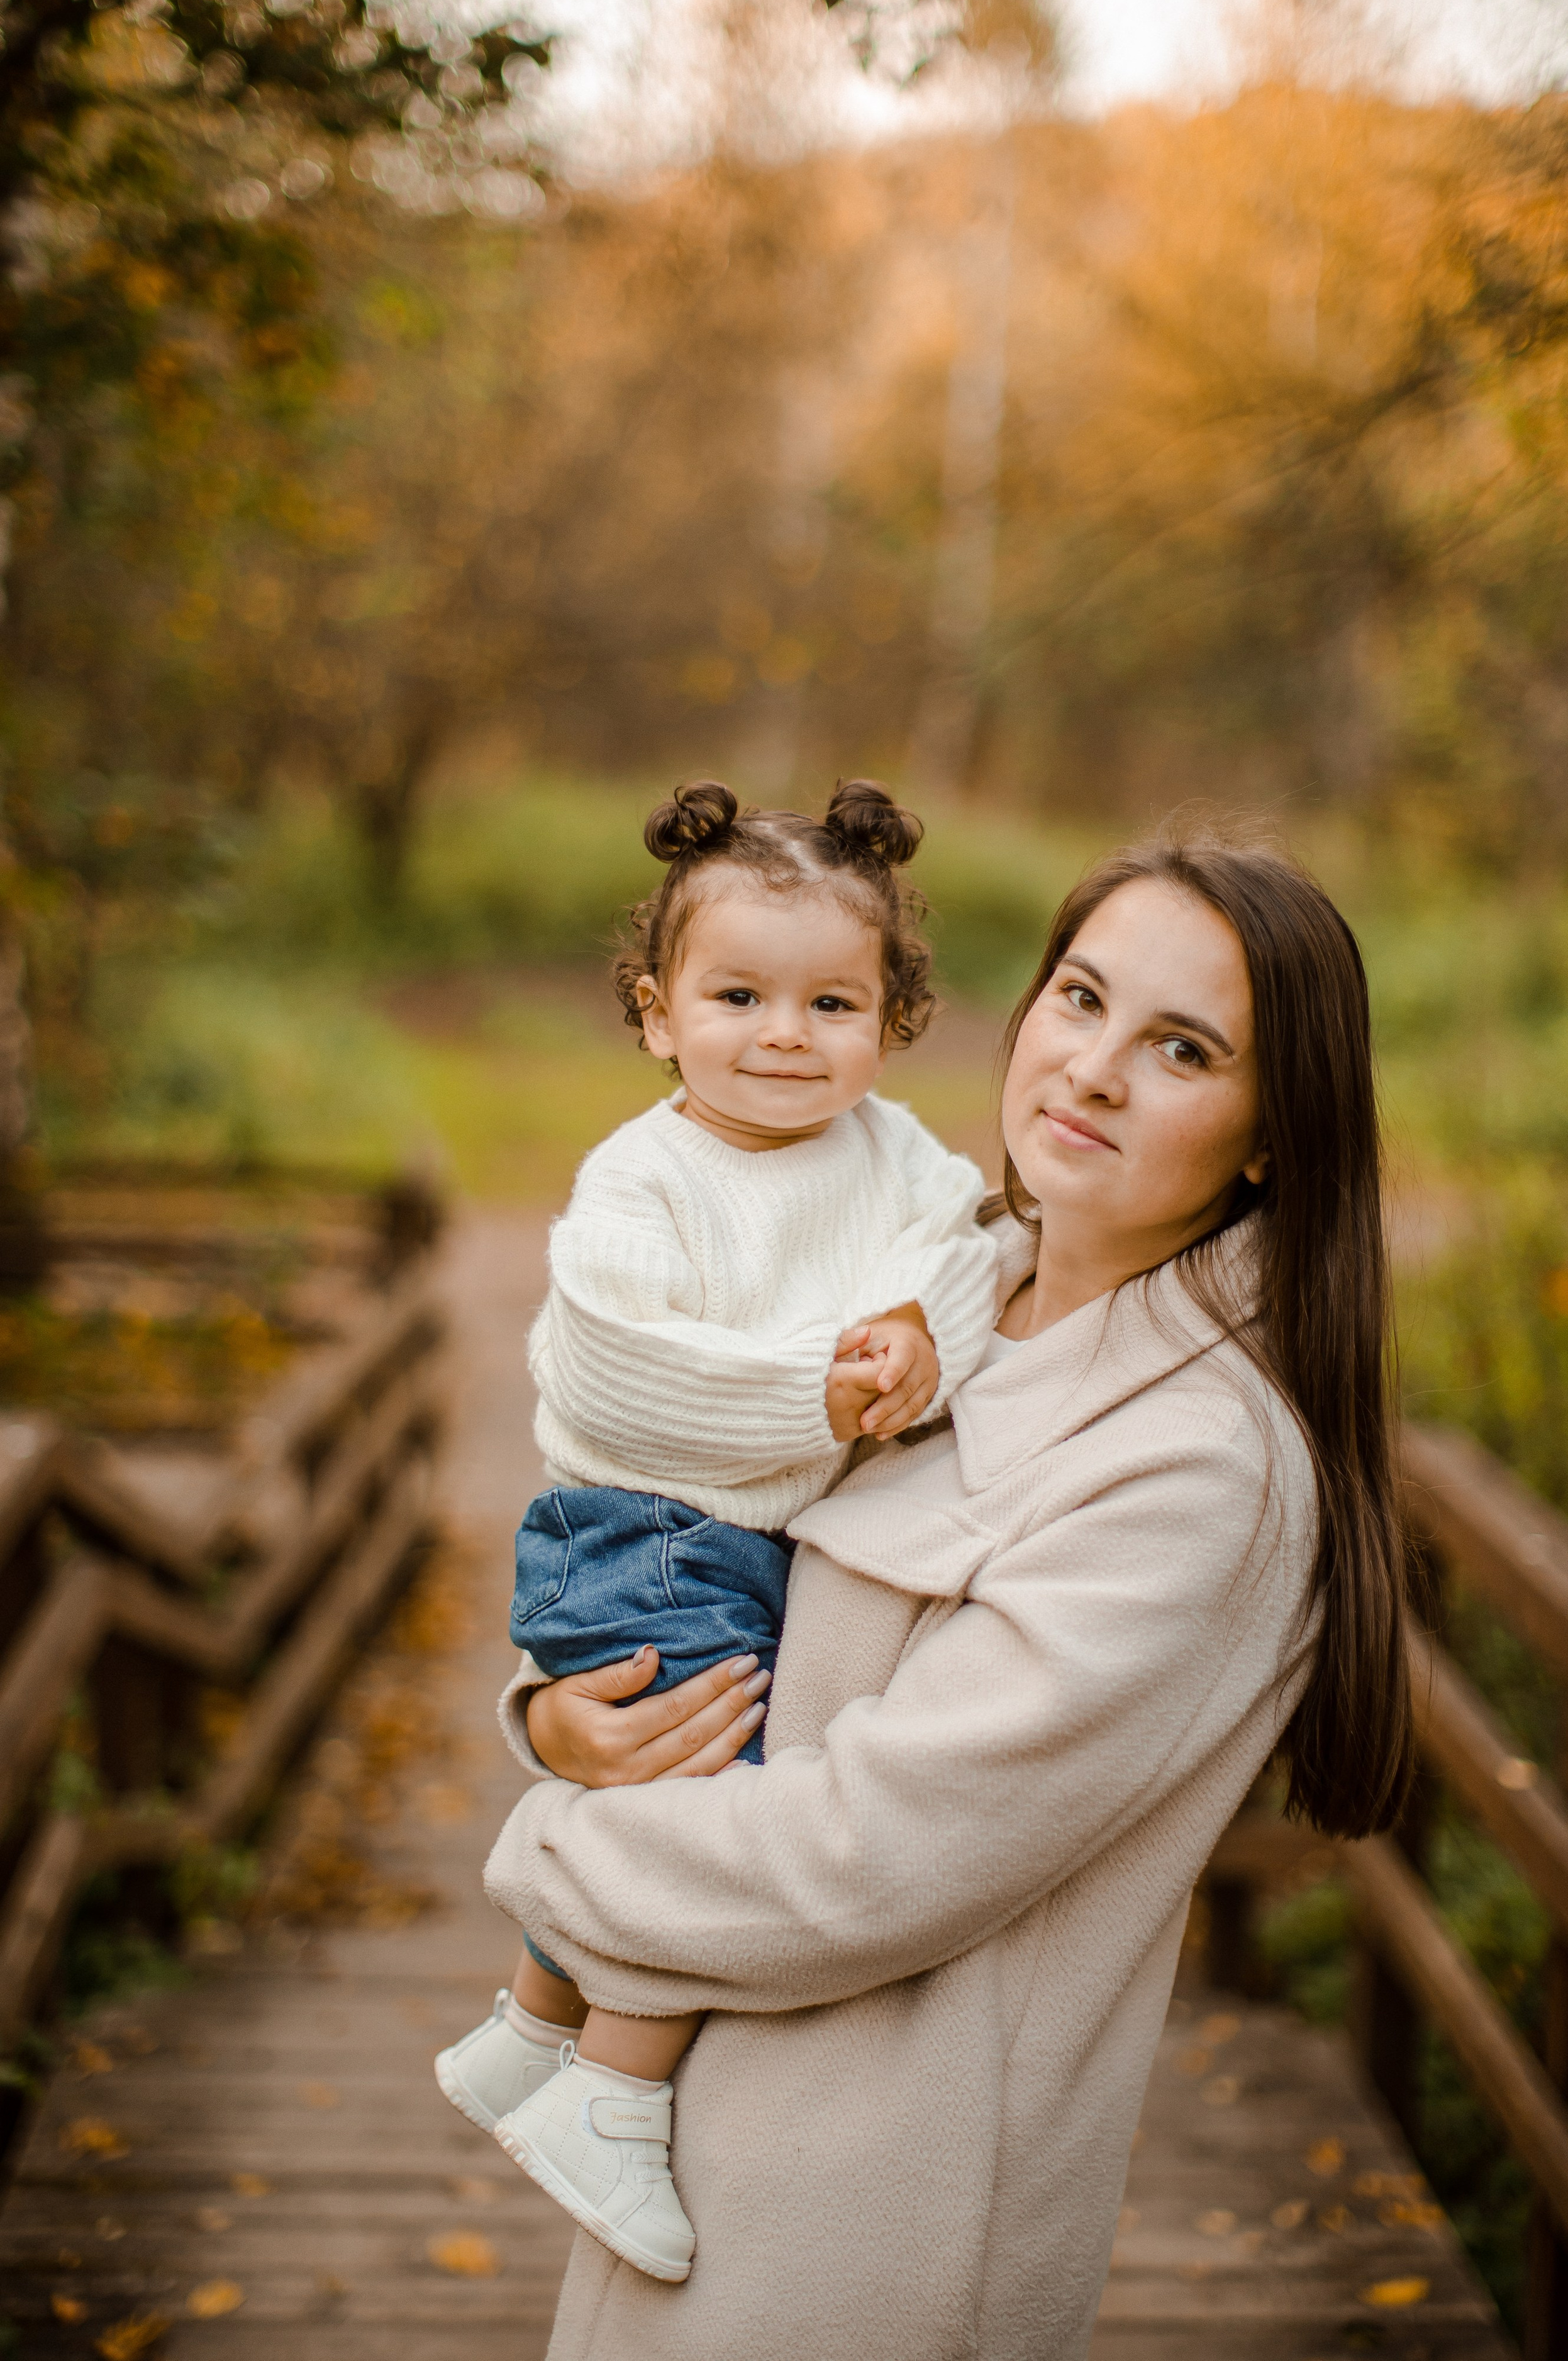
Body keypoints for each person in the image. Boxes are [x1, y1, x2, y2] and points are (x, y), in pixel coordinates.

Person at [480, 825, 1416, 2361]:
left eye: (1179, 1047)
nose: (1091, 1071)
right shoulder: (934, 1292)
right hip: (684, 2155)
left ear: (1270, 1137)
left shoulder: (1198, 1469)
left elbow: (865, 1856)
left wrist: (552, 1845)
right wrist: (569, 1722)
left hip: (866, 2244)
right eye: (1077, 1000)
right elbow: (702, 1533)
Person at [434, 777, 1000, 2280]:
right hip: (642, 1531)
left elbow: (968, 1246)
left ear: (891, 1019)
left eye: (832, 1001)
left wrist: (919, 1341)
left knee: (668, 1788)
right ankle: (611, 2092)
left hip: (740, 1544)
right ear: (654, 1013)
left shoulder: (889, 1157)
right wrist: (822, 1396)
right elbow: (619, 1363)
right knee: (712, 1808)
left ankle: (523, 2035)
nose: (782, 1033)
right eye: (737, 994)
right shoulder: (643, 1175)